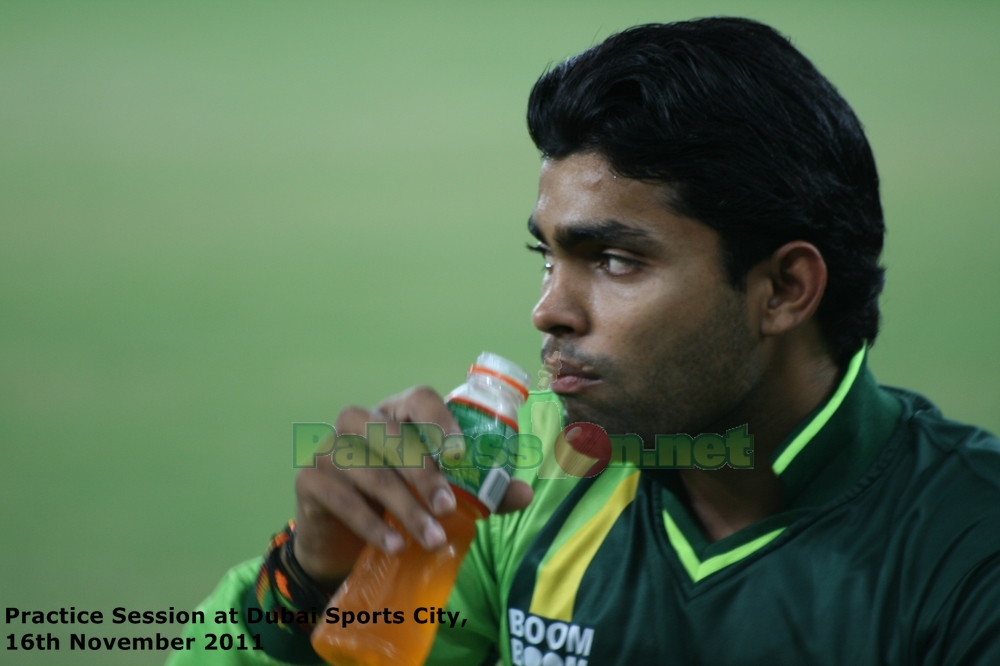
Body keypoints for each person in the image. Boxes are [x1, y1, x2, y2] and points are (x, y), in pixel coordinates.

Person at [169, 17, 1000, 666]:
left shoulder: (970, 545)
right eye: (547, 255)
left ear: (783, 289)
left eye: (613, 259)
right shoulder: (515, 473)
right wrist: (306, 582)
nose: (548, 313)